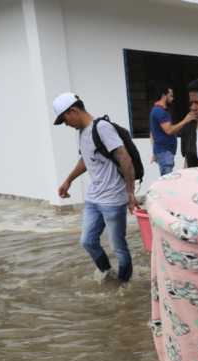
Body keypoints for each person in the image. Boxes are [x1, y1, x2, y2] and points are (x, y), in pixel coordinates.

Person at [52, 93, 136, 282]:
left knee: (118, 247)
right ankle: (108, 275)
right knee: (87, 241)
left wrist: (130, 194)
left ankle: (124, 287)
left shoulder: (102, 127)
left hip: (113, 199)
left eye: (64, 119)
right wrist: (68, 180)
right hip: (94, 197)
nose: (66, 124)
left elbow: (125, 158)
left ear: (73, 110)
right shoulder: (82, 132)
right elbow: (86, 159)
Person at [149, 84, 194, 176]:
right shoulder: (160, 111)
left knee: (166, 177)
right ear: (163, 96)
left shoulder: (157, 110)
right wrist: (185, 121)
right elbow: (169, 130)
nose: (172, 98)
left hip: (164, 151)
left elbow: (152, 133)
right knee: (167, 178)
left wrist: (155, 151)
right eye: (171, 96)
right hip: (165, 152)